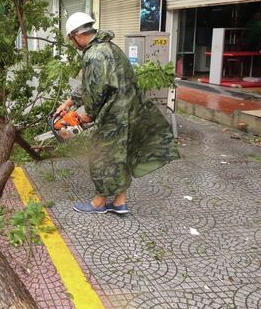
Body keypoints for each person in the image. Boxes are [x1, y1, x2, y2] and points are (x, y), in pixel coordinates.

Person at [56, 12, 178, 214]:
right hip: (131, 110)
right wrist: (69, 102)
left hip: (114, 114)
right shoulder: (111, 47)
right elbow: (90, 84)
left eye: (71, 39)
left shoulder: (94, 55)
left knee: (101, 155)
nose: (73, 43)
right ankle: (120, 201)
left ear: (77, 35)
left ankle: (99, 203)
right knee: (122, 153)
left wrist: (87, 115)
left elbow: (95, 92)